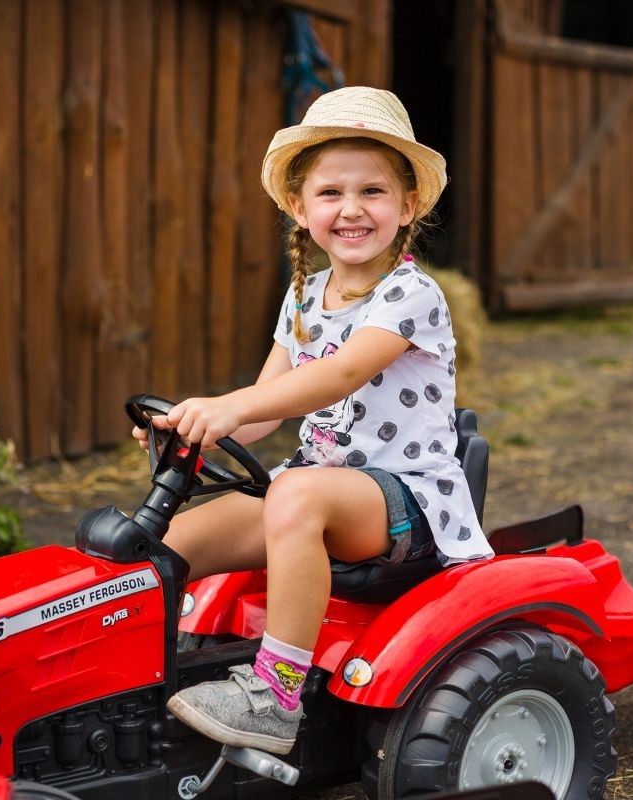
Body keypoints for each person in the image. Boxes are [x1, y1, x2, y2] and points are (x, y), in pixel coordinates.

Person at [133, 85, 494, 755]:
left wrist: (231, 404)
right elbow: (265, 413)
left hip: (404, 504)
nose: (351, 209)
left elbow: (336, 375)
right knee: (175, 539)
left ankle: (275, 698)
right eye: (331, 193)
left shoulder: (411, 295)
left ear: (408, 205)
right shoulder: (302, 295)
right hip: (316, 492)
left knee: (293, 492)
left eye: (373, 192)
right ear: (300, 209)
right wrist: (192, 426)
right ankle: (138, 686)